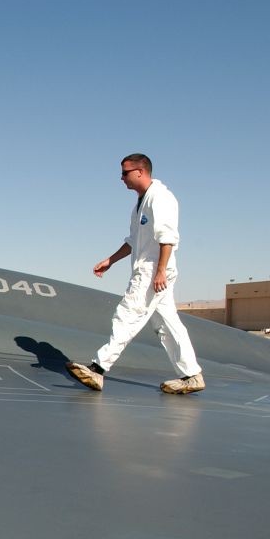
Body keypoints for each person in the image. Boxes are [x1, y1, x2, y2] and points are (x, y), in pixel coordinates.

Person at [66, 154, 205, 394]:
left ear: (140, 172)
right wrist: (110, 261)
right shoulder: (141, 202)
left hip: (153, 271)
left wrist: (160, 271)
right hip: (150, 269)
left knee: (128, 314)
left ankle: (98, 369)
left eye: (125, 173)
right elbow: (134, 241)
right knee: (167, 324)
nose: (121, 178)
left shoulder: (160, 198)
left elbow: (168, 237)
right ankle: (192, 375)